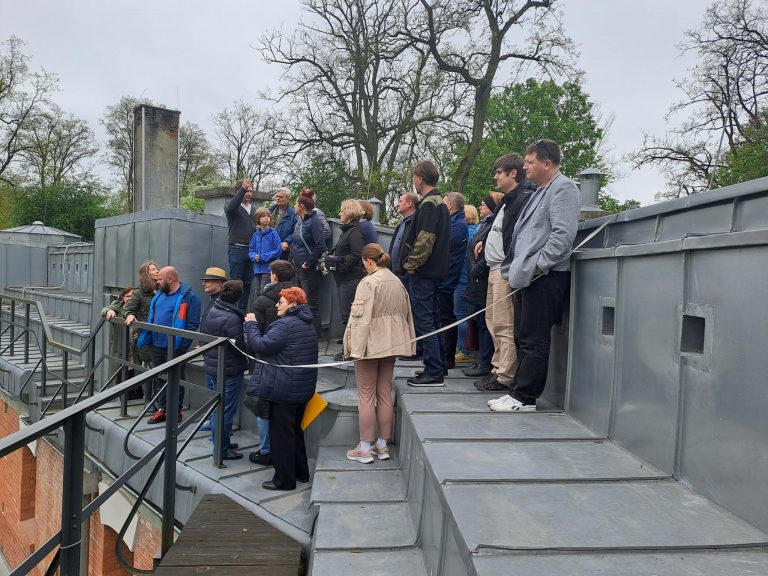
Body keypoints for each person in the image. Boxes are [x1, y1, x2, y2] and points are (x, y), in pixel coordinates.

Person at [489, 139, 581, 412]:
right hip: (529, 277)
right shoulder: (541, 190)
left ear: (547, 163)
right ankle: (518, 391)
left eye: (529, 162)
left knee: (535, 339)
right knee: (524, 335)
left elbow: (562, 236)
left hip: (545, 277)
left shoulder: (564, 188)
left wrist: (537, 268)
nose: (525, 167)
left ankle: (525, 398)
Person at [344, 244, 416, 463]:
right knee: (384, 392)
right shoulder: (397, 281)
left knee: (366, 394)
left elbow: (359, 319)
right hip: (392, 343)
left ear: (368, 261)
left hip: (369, 344)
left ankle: (365, 448)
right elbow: (406, 315)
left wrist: (353, 348)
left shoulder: (368, 282)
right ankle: (382, 445)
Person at [244, 287, 318, 491]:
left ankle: (284, 480)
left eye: (281, 302)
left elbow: (260, 345)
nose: (277, 306)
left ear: (293, 304)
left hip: (284, 389)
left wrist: (251, 325)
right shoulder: (307, 323)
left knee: (281, 437)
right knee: (294, 431)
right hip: (301, 388)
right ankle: (301, 472)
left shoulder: (284, 325)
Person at [473, 153, 534, 392]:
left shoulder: (523, 199)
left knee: (504, 323)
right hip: (493, 267)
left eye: (499, 172)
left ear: (513, 173)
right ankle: (497, 368)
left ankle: (505, 375)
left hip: (505, 270)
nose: (495, 177)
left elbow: (520, 234)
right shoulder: (506, 201)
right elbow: (498, 229)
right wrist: (485, 240)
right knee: (492, 321)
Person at [402, 161, 451, 387]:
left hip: (424, 272)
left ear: (420, 179)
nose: (414, 180)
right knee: (434, 320)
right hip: (435, 272)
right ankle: (438, 366)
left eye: (414, 177)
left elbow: (425, 240)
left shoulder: (429, 205)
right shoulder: (440, 203)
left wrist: (411, 265)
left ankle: (433, 372)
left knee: (425, 322)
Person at [246, 259, 297, 464]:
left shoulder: (262, 300)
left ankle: (266, 450)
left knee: (263, 409)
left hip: (266, 360)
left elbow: (255, 336)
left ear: (273, 276)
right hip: (291, 361)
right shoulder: (299, 297)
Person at [141, 266, 202, 424]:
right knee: (160, 378)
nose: (157, 282)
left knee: (176, 380)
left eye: (160, 279)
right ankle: (162, 410)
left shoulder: (189, 297)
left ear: (170, 279)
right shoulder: (159, 295)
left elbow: (192, 324)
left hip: (175, 347)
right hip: (156, 345)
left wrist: (181, 346)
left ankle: (175, 412)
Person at [201, 280, 249, 460]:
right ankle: (221, 450)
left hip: (213, 366)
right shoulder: (233, 318)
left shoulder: (213, 310)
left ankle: (221, 442)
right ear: (238, 298)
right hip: (230, 369)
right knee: (226, 411)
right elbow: (239, 347)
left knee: (217, 408)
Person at [463, 193, 502, 381]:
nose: (480, 207)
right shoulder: (485, 225)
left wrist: (476, 270)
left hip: (482, 279)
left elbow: (489, 252)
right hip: (476, 280)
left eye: (483, 205)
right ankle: (480, 359)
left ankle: (485, 362)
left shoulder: (492, 225)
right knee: (478, 321)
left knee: (485, 322)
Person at [329, 199, 366, 360]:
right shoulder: (349, 230)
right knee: (347, 314)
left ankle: (350, 351)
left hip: (350, 279)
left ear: (349, 211)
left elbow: (357, 253)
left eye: (342, 211)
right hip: (344, 278)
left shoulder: (354, 231)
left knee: (350, 315)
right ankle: (349, 349)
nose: (340, 214)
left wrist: (342, 267)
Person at [285, 194, 326, 336]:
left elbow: (320, 245)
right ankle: (302, 332)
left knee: (310, 302)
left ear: (301, 206)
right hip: (297, 267)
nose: (294, 206)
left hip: (309, 269)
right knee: (297, 301)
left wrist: (308, 263)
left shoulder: (314, 222)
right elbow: (295, 243)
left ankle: (315, 335)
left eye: (296, 203)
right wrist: (291, 260)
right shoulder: (299, 221)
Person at [437, 192, 468, 371]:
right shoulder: (452, 223)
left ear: (449, 205)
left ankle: (447, 358)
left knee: (446, 318)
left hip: (447, 279)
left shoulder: (458, 225)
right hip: (443, 277)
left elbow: (442, 245)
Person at [224, 178, 258, 312]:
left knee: (248, 283)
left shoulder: (254, 210)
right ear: (237, 192)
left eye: (250, 191)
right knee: (235, 282)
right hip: (237, 249)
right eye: (246, 191)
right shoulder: (231, 206)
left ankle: (242, 311)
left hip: (251, 251)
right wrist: (243, 188)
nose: (249, 194)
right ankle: (232, 310)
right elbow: (231, 207)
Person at [454, 204, 480, 363]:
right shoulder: (477, 231)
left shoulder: (467, 234)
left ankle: (465, 349)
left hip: (463, 280)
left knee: (460, 316)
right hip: (470, 280)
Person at [125, 260, 160, 367]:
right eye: (153, 269)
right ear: (146, 274)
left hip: (161, 336)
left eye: (157, 269)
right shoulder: (139, 293)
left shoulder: (162, 290)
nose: (157, 271)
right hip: (147, 338)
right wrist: (130, 315)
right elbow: (128, 309)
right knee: (149, 368)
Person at [248, 207, 282, 305]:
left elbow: (278, 250)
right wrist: (254, 256)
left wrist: (262, 257)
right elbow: (251, 250)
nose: (266, 218)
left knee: (265, 291)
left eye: (268, 216)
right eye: (263, 216)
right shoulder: (255, 235)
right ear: (258, 219)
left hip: (268, 269)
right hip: (257, 269)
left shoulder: (273, 233)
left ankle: (264, 310)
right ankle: (259, 311)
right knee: (257, 292)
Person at [101, 286, 134, 383]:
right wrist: (109, 311)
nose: (130, 298)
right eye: (128, 296)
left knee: (135, 381)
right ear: (123, 297)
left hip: (135, 352)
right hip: (120, 351)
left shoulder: (139, 308)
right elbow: (104, 310)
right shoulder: (118, 307)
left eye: (133, 296)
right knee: (120, 380)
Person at [389, 191, 418, 290]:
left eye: (400, 201)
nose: (398, 204)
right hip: (396, 273)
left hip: (406, 275)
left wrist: (406, 267)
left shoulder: (415, 224)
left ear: (409, 203)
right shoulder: (402, 224)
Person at [269, 187, 297, 258]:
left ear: (288, 199)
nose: (278, 198)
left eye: (281, 197)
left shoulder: (294, 214)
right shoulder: (268, 212)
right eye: (277, 196)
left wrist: (287, 241)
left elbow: (296, 232)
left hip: (283, 252)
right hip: (267, 250)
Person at [199, 267, 227, 333]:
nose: (203, 284)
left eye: (207, 281)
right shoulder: (217, 300)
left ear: (218, 282)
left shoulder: (223, 302)